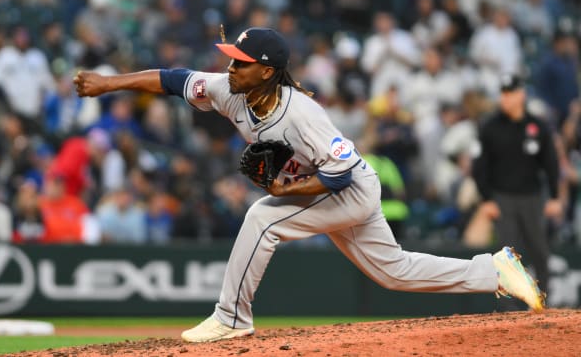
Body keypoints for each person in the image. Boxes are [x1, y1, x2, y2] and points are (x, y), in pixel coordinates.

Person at [74, 27, 545, 343]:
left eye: (240, 63)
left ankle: (232, 319)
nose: (230, 69)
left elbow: (337, 175)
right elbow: (173, 80)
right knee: (394, 272)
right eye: (231, 61)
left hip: (350, 190)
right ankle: (495, 271)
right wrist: (108, 83)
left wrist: (283, 193)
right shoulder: (228, 90)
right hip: (333, 189)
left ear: (266, 71)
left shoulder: (302, 114)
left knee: (263, 218)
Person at [472, 74, 562, 310]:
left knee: (540, 251)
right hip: (502, 199)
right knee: (507, 257)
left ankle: (543, 305)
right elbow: (479, 165)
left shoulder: (537, 126)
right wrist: (486, 199)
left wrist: (554, 196)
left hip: (532, 197)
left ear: (521, 94)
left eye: (509, 93)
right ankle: (510, 312)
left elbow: (550, 162)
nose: (505, 98)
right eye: (502, 93)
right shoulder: (490, 127)